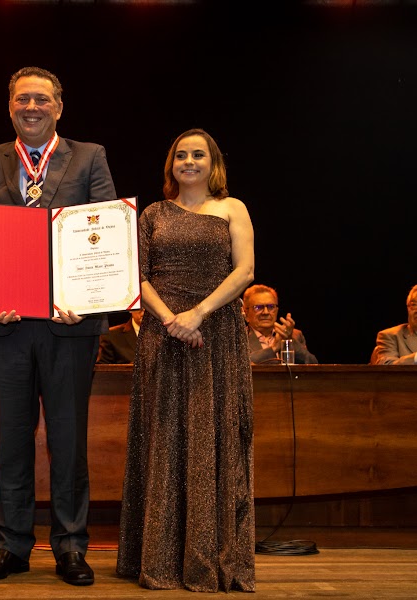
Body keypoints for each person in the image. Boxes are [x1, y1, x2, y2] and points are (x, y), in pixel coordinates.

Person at [0, 66, 116, 586]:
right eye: (23, 99)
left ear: (59, 106)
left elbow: (106, 231)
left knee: (69, 441)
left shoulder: (89, 156)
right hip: (7, 327)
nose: (32, 107)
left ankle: (71, 546)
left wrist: (90, 298)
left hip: (70, 326)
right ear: (10, 106)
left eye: (42, 99)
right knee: (12, 441)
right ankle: (12, 546)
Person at [116, 128, 256, 592]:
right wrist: (170, 319)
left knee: (213, 439)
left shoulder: (232, 208)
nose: (189, 162)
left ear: (213, 162)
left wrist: (197, 314)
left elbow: (245, 271)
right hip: (163, 334)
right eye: (181, 155)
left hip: (216, 336)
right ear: (170, 164)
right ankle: (156, 557)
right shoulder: (152, 213)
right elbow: (135, 277)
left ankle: (209, 559)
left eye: (198, 155)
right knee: (164, 440)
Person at [243, 284, 317, 364]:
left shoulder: (295, 335)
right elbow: (240, 365)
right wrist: (273, 348)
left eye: (271, 307)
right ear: (246, 312)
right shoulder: (239, 338)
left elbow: (312, 364)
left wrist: (289, 340)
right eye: (258, 307)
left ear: (277, 311)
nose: (266, 312)